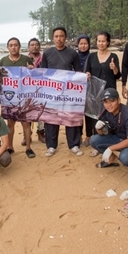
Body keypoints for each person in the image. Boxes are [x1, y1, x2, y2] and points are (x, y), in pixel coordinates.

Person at [40, 27, 84, 157]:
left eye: (61, 36)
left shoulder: (72, 53)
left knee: (70, 116)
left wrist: (82, 77)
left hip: (69, 92)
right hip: (52, 92)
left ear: (65, 37)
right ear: (53, 38)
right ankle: (51, 146)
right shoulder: (47, 53)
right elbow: (43, 73)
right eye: (56, 36)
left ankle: (74, 144)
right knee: (51, 119)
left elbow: (78, 72)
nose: (59, 39)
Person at [90, 88, 128, 177]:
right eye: (106, 102)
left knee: (125, 158)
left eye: (112, 101)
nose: (109, 105)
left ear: (119, 100)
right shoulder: (106, 112)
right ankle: (112, 158)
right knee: (94, 140)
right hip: (118, 137)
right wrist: (98, 129)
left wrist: (110, 148)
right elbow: (103, 133)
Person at [0, 37, 35, 158]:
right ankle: (10, 147)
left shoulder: (26, 59)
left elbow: (34, 79)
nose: (13, 47)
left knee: (26, 124)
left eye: (16, 45)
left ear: (19, 47)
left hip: (24, 96)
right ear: (8, 47)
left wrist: (32, 70)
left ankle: (28, 148)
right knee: (10, 124)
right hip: (10, 97)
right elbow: (2, 80)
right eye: (11, 45)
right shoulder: (3, 61)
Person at [85, 31, 121, 155]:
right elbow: (87, 71)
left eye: (103, 41)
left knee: (111, 115)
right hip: (95, 91)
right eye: (99, 41)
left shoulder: (113, 56)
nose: (101, 43)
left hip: (109, 90)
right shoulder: (91, 56)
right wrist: (87, 74)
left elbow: (117, 75)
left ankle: (111, 141)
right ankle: (97, 144)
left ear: (108, 42)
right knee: (96, 117)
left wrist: (114, 68)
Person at [76, 34, 95, 148]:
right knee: (77, 114)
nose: (83, 46)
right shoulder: (74, 56)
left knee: (89, 114)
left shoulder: (93, 56)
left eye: (85, 43)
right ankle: (78, 135)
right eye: (81, 44)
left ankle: (89, 136)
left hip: (89, 90)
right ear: (77, 45)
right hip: (76, 90)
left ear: (89, 44)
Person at [27, 37, 45, 143]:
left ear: (39, 46)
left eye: (36, 44)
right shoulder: (24, 59)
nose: (34, 46)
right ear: (28, 47)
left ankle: (41, 132)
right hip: (28, 90)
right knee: (27, 112)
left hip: (42, 89)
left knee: (41, 111)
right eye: (32, 44)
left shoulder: (44, 59)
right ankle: (27, 135)